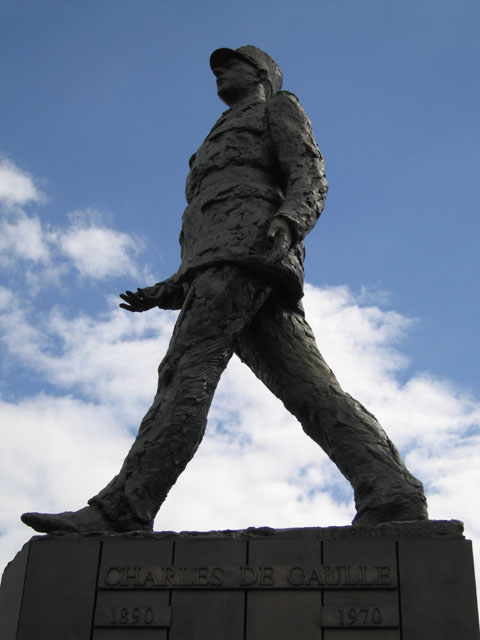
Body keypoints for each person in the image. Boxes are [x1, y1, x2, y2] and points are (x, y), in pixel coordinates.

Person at [22, 45, 428, 534]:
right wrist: (171, 285)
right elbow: (212, 214)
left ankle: (121, 509)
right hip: (225, 263)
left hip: (253, 255)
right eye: (217, 67)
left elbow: (309, 174)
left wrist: (289, 222)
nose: (219, 73)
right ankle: (392, 492)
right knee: (308, 386)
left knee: (185, 372)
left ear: (260, 73)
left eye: (230, 64)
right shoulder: (215, 136)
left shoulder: (280, 107)